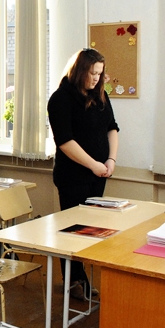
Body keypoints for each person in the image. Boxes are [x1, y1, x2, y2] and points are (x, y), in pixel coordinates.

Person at [47, 48, 118, 301]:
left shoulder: (101, 96)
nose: (97, 78)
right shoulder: (61, 99)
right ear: (79, 71)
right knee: (72, 230)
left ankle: (82, 276)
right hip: (72, 176)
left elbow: (112, 128)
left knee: (91, 228)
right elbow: (65, 142)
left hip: (97, 174)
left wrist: (110, 159)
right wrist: (93, 164)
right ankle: (74, 280)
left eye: (100, 73)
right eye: (92, 73)